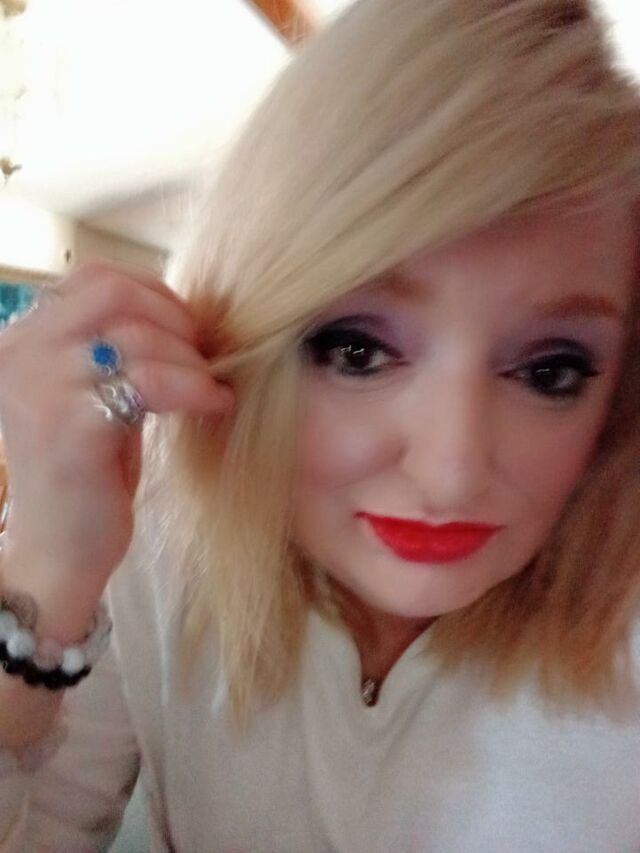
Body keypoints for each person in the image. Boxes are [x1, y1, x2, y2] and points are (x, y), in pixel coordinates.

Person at [0, 0, 639, 849]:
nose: (450, 472)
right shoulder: (156, 536)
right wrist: (46, 569)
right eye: (357, 351)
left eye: (551, 370)